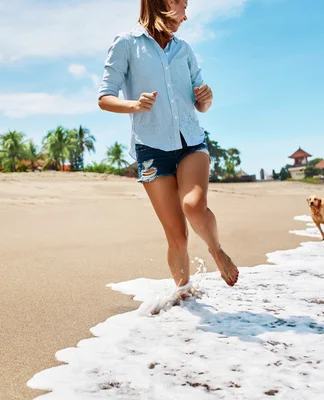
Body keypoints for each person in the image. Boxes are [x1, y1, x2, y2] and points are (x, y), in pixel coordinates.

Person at [97, 0, 239, 288]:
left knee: (194, 205)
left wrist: (205, 98)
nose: (186, 15)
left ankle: (216, 250)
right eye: (182, 5)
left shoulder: (183, 50)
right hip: (150, 148)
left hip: (190, 141)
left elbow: (202, 105)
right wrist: (135, 104)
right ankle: (183, 296)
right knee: (178, 237)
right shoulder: (126, 44)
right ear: (162, 2)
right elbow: (104, 97)